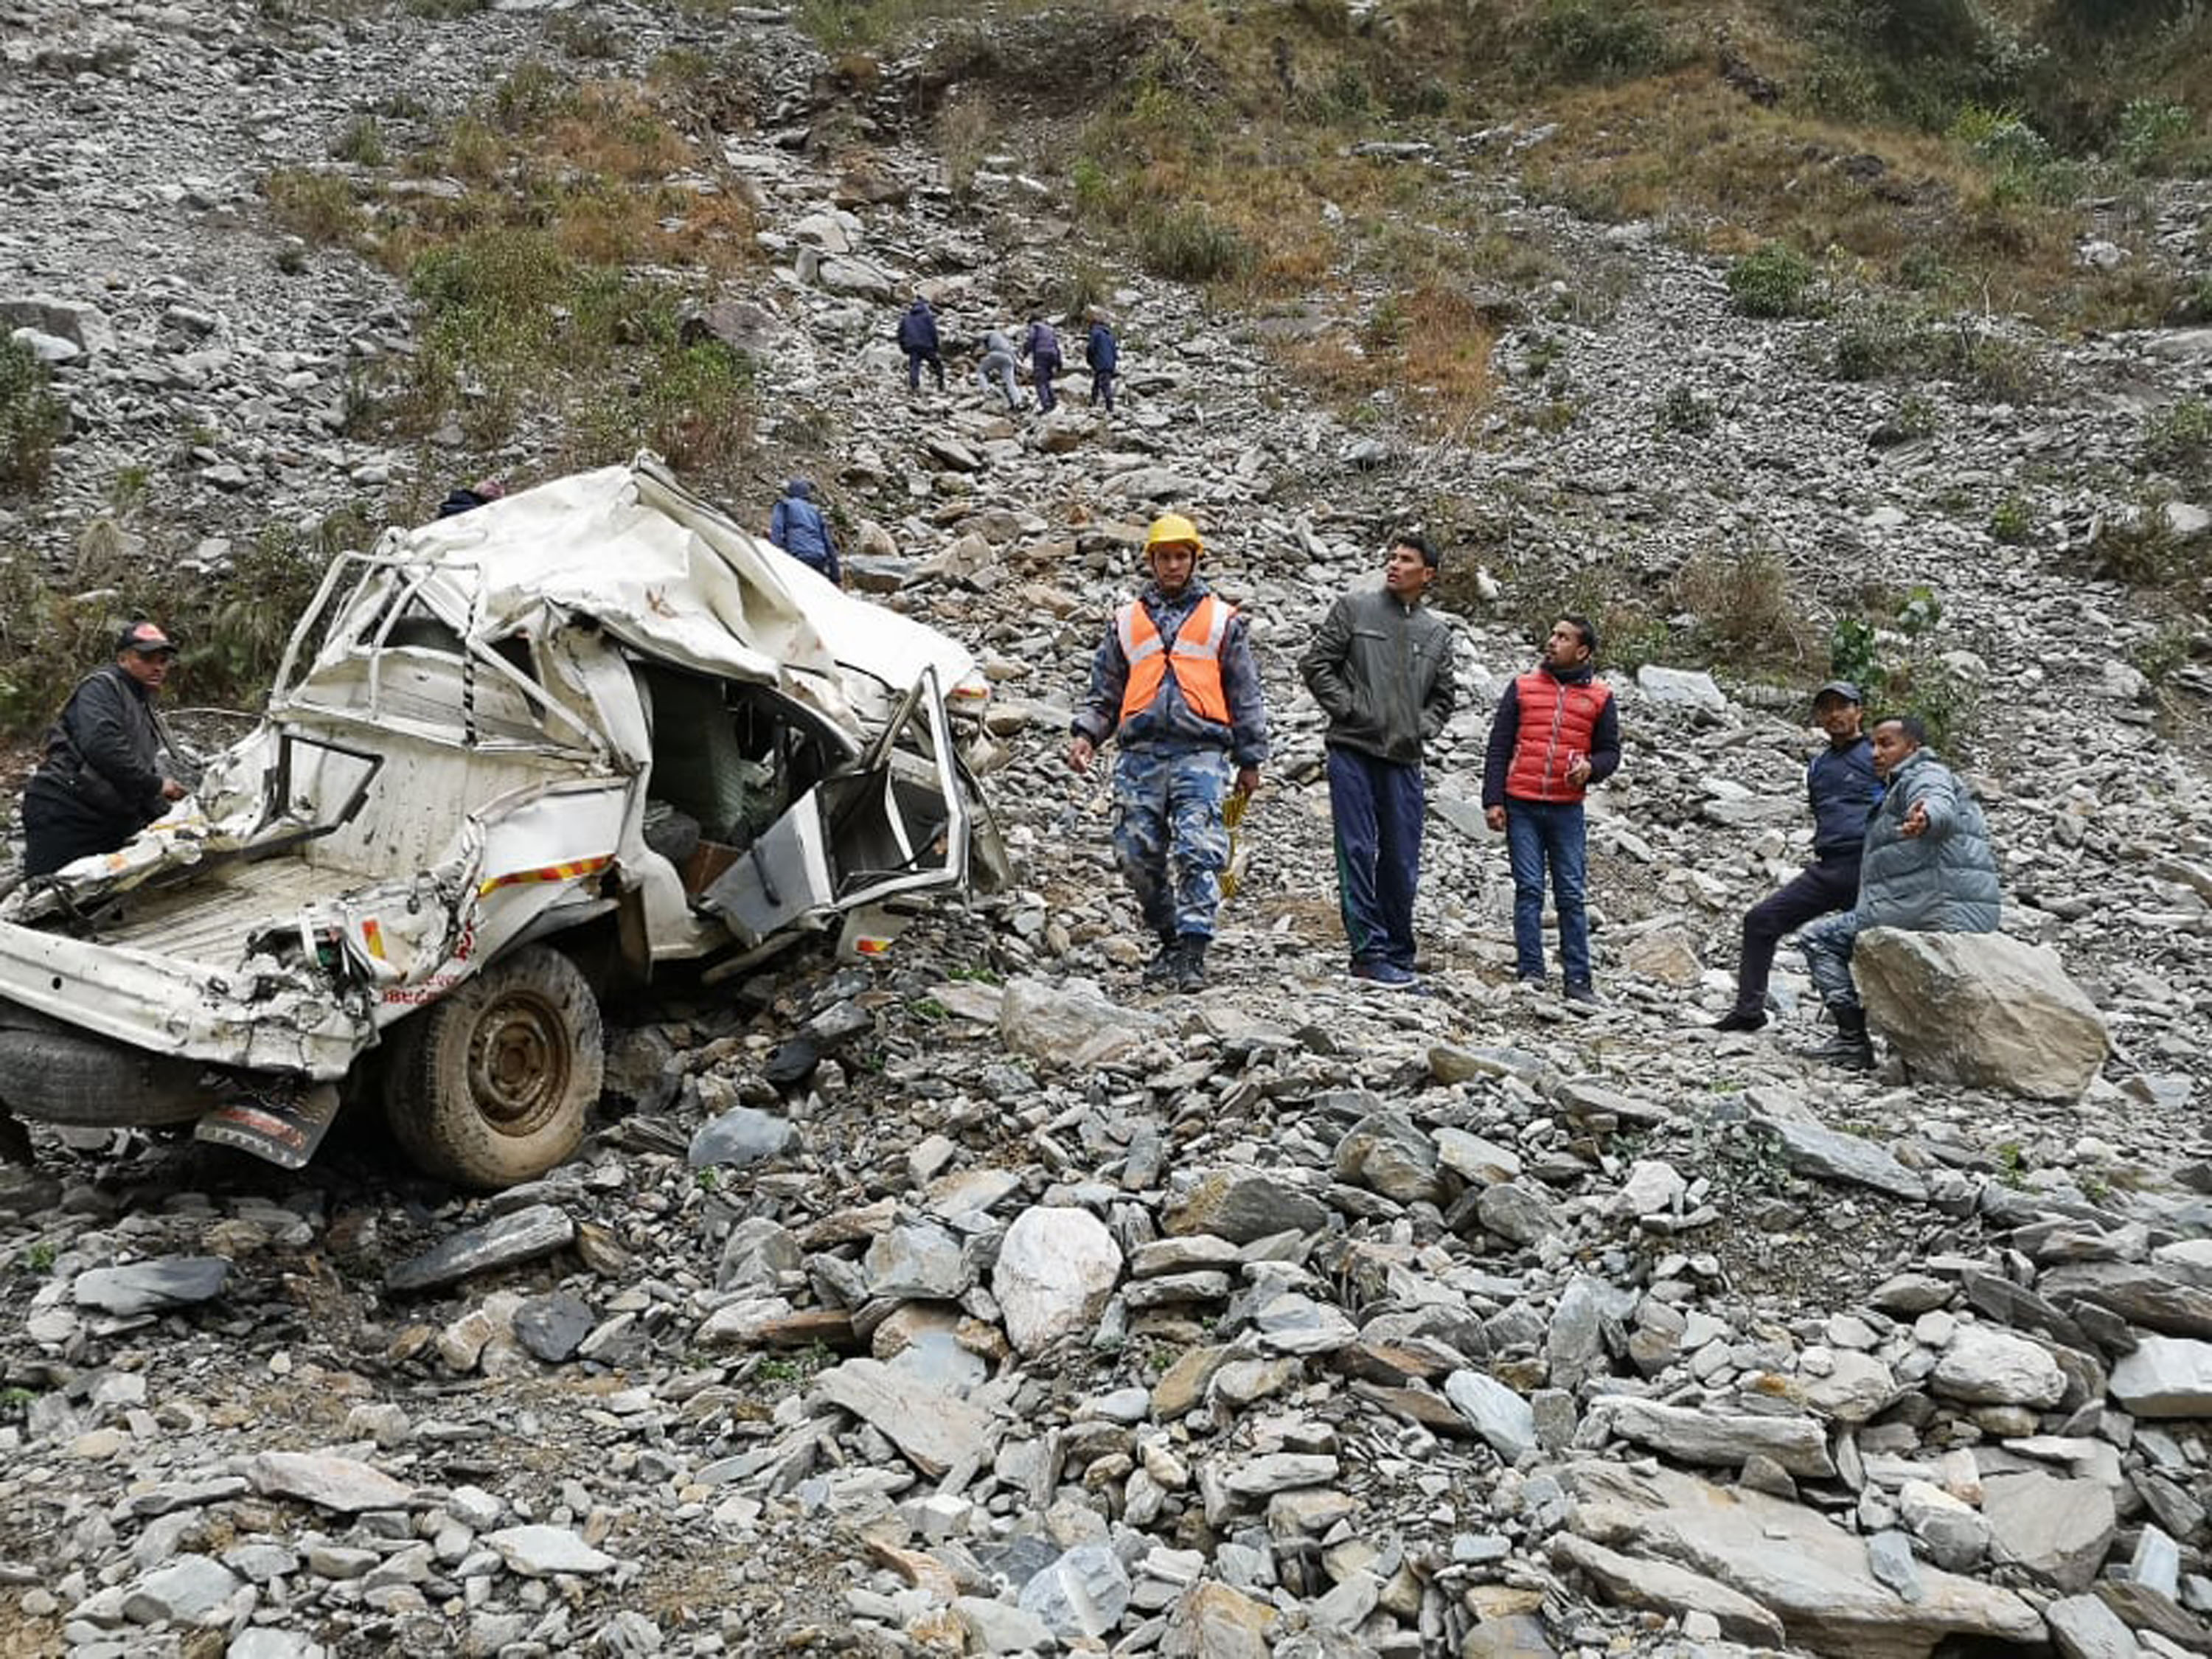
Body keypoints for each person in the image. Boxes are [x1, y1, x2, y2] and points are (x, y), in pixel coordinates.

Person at [1068, 513, 1267, 992]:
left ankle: (1194, 951)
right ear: (1151, 561)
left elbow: (1245, 691)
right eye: (1164, 557)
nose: (1173, 565)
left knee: (1200, 849)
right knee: (1134, 853)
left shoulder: (1223, 621)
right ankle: (1168, 937)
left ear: (1195, 559)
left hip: (1202, 752)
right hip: (1140, 755)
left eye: (1181, 556)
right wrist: (1087, 735)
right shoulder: (1126, 622)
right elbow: (1105, 692)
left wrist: (1251, 758)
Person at [1796, 715, 2000, 1069]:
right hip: (1944, 903)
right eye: (1873, 744)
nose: (1875, 752)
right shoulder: (1903, 782)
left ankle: (1851, 1041)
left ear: (1913, 748)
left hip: (1934, 906)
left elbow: (1936, 802)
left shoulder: (1925, 774)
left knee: (1820, 939)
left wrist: (1927, 817)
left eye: (1886, 744)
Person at [1299, 533, 1456, 987]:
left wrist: (1421, 726)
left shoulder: (1436, 632)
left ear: (1427, 574)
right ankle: (1368, 952)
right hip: (1353, 748)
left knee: (1402, 859)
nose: (1394, 565)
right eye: (1391, 557)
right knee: (1357, 849)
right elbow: (1317, 664)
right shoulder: (1354, 608)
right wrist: (1349, 709)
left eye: (1406, 560)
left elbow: (1443, 698)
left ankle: (1399, 951)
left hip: (1404, 758)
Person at [1711, 680, 1882, 1031]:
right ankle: (1749, 1011)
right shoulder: (1819, 766)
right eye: (1827, 708)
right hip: (1830, 866)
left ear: (1859, 712)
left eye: (1843, 706)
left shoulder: (1877, 756)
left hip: (1870, 865)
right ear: (1819, 717)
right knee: (1761, 921)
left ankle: (1863, 1033)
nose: (1835, 714)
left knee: (1869, 947)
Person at [1481, 616, 1620, 1005]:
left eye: (1563, 637)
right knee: (1528, 889)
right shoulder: (1523, 687)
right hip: (1521, 802)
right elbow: (1499, 747)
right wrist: (1492, 800)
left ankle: (1578, 981)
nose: (1552, 641)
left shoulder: (1600, 697)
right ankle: (1531, 972)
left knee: (1571, 894)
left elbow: (1611, 752)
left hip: (1566, 809)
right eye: (1552, 634)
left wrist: (1591, 769)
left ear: (1583, 651)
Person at [18, 622, 189, 877]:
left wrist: (175, 817)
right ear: (122, 658)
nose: (157, 666)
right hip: (66, 809)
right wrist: (156, 786)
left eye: (163, 660)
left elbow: (135, 773)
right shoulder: (102, 688)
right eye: (146, 658)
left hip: (107, 816)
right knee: (49, 902)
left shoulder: (142, 705)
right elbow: (104, 748)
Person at [768, 478, 841, 585]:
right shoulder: (815, 511)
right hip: (819, 558)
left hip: (798, 557)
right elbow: (828, 544)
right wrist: (836, 576)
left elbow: (777, 532)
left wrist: (773, 560)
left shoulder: (784, 505)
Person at [897, 296, 945, 392]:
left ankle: (914, 387)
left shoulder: (906, 318)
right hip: (927, 346)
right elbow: (933, 332)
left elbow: (900, 334)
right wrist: (936, 346)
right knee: (937, 364)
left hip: (913, 347)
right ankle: (940, 383)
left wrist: (903, 347)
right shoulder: (927, 317)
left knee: (914, 366)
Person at [1023, 314, 1062, 413]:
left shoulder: (1035, 326)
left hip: (1041, 354)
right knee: (1046, 380)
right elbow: (1056, 345)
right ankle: (1053, 401)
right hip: (1052, 355)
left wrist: (1025, 352)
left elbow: (1031, 339)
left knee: (1039, 380)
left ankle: (1046, 405)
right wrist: (1058, 362)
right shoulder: (1050, 329)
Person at [976, 328, 1021, 414]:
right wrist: (1016, 368)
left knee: (980, 372)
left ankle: (988, 390)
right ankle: (1018, 402)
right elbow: (1013, 354)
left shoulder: (990, 332)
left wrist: (967, 335)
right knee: (1011, 383)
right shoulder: (1004, 338)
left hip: (996, 354)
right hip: (1008, 359)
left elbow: (979, 337)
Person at [1085, 311, 1119, 413]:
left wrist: (1090, 360)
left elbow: (1091, 348)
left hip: (1101, 363)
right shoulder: (1110, 334)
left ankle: (1110, 405)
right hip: (1110, 363)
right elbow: (1114, 350)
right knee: (1097, 382)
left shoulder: (1095, 333)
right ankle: (1093, 401)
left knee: (1104, 385)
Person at [435, 477, 505, 518]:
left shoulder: (458, 501)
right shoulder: (474, 510)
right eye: (492, 484)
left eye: (498, 489)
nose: (494, 490)